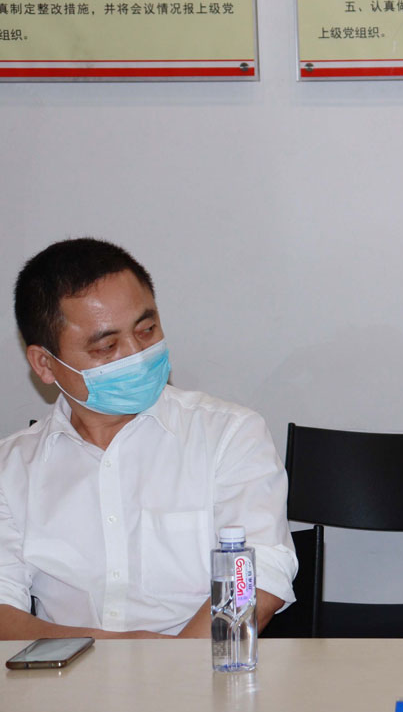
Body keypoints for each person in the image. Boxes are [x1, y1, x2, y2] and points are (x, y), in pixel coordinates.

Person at [0, 239, 296, 640]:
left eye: (146, 330)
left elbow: (258, 578)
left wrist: (169, 665)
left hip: (203, 665)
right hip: (64, 671)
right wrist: (108, 655)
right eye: (106, 347)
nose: (137, 354)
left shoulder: (229, 433)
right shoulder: (12, 469)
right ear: (45, 364)